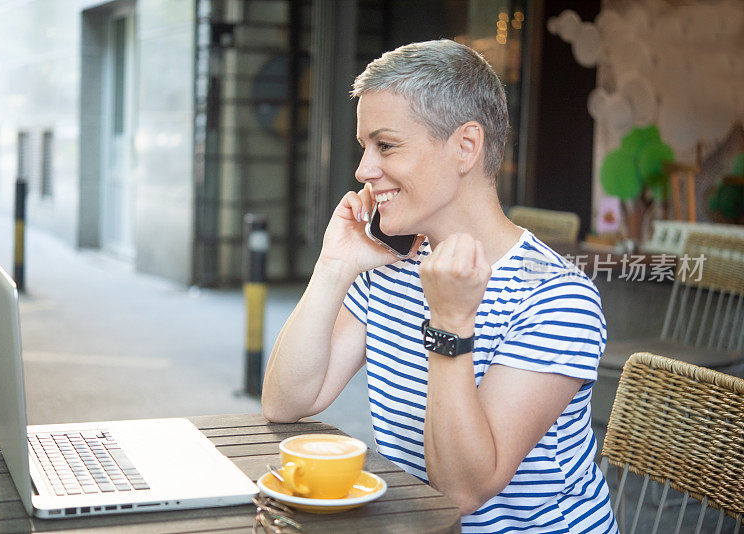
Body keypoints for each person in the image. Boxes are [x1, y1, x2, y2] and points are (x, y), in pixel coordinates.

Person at [262, 39, 618, 533]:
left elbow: (462, 491)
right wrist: (334, 265)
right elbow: (287, 403)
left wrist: (451, 323)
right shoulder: (391, 266)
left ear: (465, 147)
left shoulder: (557, 298)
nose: (363, 170)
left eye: (385, 145)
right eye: (364, 147)